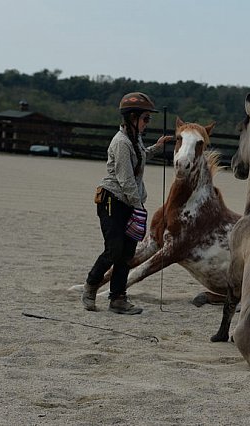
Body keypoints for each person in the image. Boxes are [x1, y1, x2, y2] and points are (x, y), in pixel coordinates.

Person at [82, 92, 172, 314]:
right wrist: (139, 206)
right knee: (114, 250)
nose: (147, 123)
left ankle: (118, 299)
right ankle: (91, 284)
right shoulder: (121, 142)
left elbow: (140, 156)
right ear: (132, 118)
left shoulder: (134, 138)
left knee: (127, 253)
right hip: (112, 201)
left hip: (130, 203)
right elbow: (125, 180)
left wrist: (156, 147)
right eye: (145, 119)